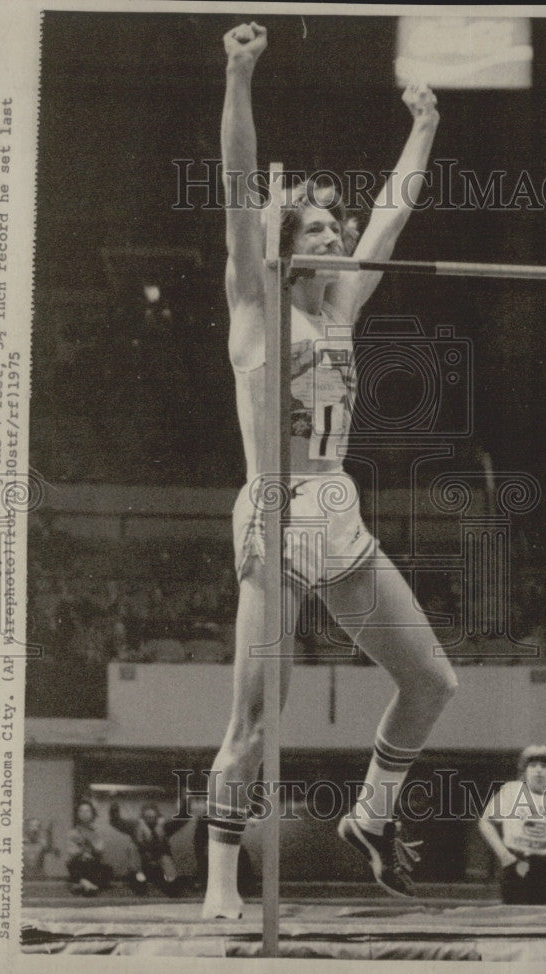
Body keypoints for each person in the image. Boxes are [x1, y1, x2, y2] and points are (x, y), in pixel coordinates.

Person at [203, 21, 457, 920]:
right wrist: (240, 78)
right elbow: (238, 184)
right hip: (273, 513)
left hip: (333, 509)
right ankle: (220, 890)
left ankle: (371, 819)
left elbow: (392, 210)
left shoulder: (344, 301)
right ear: (284, 239)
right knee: (256, 725)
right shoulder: (255, 304)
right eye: (314, 226)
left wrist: (423, 126)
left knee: (432, 681)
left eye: (333, 226)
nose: (332, 234)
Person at [478, 745, 546, 905]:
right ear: (525, 770)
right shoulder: (511, 791)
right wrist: (504, 855)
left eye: (544, 766)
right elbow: (485, 822)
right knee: (514, 919)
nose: (539, 771)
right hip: (516, 862)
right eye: (533, 765)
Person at [108, 798, 181, 895]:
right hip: (140, 867)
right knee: (132, 849)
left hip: (160, 866)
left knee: (165, 859)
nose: (150, 818)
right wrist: (114, 807)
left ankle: (170, 883)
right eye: (147, 817)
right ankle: (140, 883)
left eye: (152, 816)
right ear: (143, 817)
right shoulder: (135, 826)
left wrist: (185, 803)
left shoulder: (164, 827)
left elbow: (180, 821)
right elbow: (116, 822)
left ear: (157, 817)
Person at [66, 800, 113, 895]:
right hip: (79, 863)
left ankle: (82, 885)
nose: (84, 814)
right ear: (77, 814)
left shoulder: (98, 831)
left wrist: (86, 842)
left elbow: (99, 850)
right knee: (73, 864)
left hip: (94, 863)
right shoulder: (72, 832)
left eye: (87, 811)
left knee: (106, 869)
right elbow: (71, 852)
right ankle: (87, 885)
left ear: (92, 813)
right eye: (81, 811)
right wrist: (83, 849)